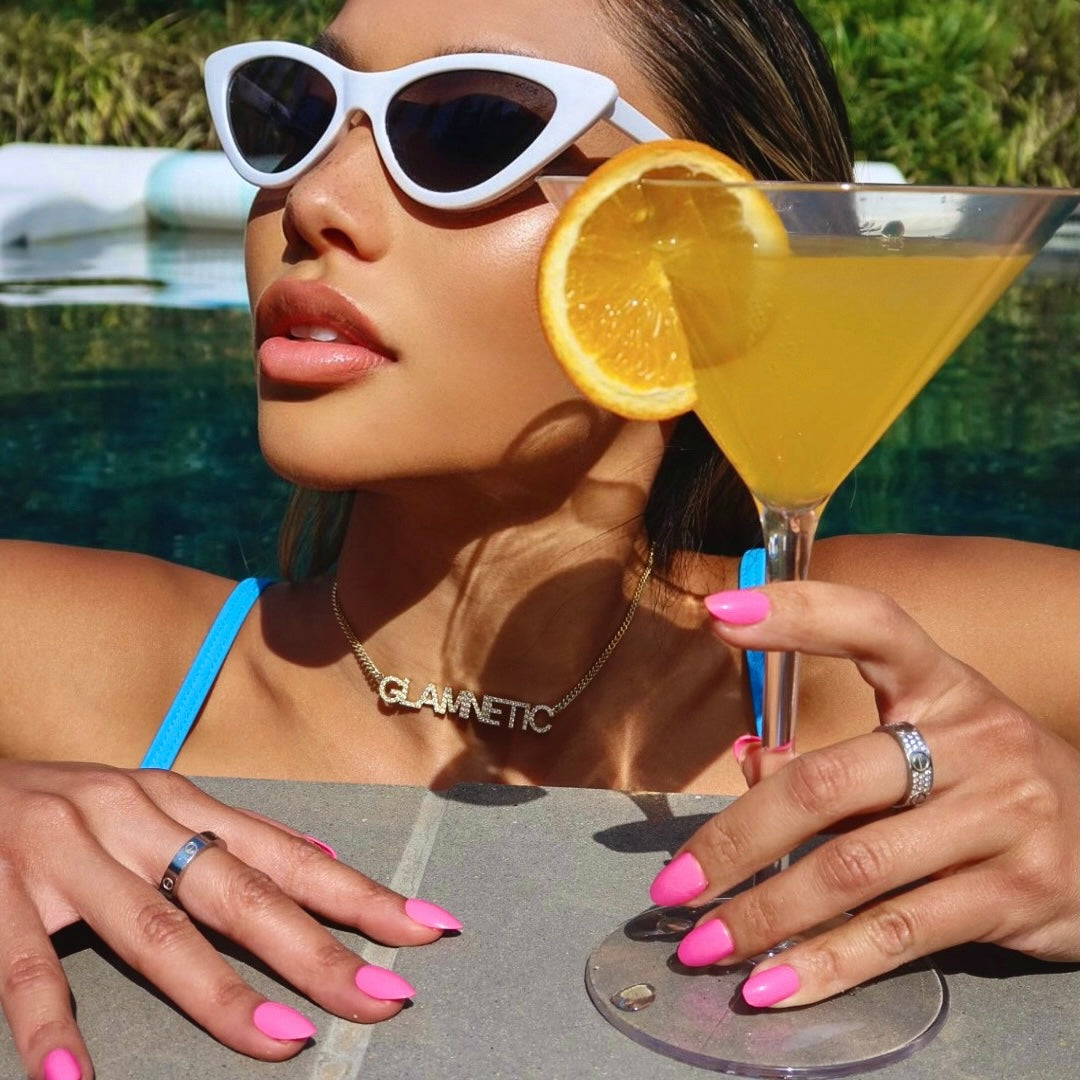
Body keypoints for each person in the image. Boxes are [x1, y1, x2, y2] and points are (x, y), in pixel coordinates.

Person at [2, 0, 1077, 1077]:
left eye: (469, 128)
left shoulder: (894, 655)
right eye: (299, 113)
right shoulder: (66, 655)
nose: (315, 201)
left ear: (720, 260)